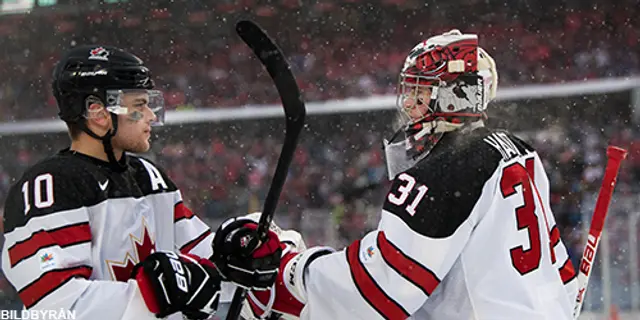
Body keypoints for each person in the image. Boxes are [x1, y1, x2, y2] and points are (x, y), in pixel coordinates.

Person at [241, 30, 579, 319]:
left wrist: (292, 271)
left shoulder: (446, 167)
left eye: (421, 93)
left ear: (454, 95)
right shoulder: (518, 150)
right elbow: (558, 266)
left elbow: (383, 288)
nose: (410, 106)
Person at [1, 45, 284, 320]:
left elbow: (197, 262)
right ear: (98, 113)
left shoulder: (149, 177)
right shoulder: (50, 187)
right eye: (139, 106)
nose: (150, 116)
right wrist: (149, 296)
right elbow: (54, 305)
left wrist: (236, 257)